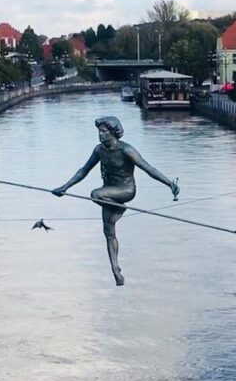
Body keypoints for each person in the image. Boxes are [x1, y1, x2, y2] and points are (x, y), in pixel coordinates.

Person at [52, 116, 179, 286]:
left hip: (125, 191)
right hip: (109, 194)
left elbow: (148, 168)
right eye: (99, 131)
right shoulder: (99, 150)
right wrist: (65, 187)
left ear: (113, 133)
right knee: (108, 232)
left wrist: (169, 183)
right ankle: (115, 269)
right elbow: (83, 170)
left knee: (95, 194)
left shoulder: (126, 150)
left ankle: (120, 208)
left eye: (104, 131)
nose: (100, 134)